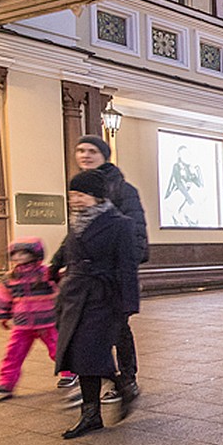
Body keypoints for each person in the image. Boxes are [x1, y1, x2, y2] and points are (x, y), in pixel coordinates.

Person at [54, 170, 139, 439]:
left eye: (80, 195)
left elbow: (127, 267)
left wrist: (128, 305)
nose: (75, 200)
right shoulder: (77, 224)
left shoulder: (120, 224)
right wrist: (52, 269)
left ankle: (120, 387)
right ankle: (92, 415)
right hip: (75, 296)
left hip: (102, 297)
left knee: (90, 355)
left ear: (96, 196)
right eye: (72, 195)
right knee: (79, 357)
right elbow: (67, 252)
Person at [69, 135, 148, 409]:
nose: (85, 155)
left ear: (105, 154)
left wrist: (122, 271)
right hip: (85, 282)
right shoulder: (82, 188)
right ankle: (96, 381)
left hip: (110, 277)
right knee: (89, 334)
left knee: (118, 330)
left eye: (92, 150)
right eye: (80, 150)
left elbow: (136, 236)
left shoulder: (123, 190)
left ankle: (127, 379)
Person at [0, 239, 71, 401]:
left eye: (23, 253)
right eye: (15, 254)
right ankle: (5, 384)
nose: (18, 257)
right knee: (13, 354)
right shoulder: (10, 278)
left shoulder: (46, 274)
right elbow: (4, 297)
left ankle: (70, 374)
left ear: (34, 255)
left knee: (58, 350)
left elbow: (61, 288)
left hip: (47, 322)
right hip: (22, 325)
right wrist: (3, 315)